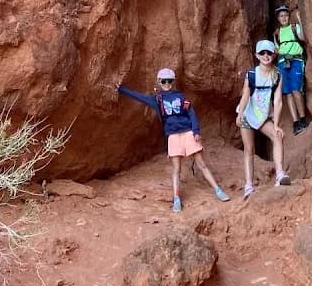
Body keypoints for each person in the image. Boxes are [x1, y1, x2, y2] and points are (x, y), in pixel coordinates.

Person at [118, 68, 231, 212]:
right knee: (176, 168)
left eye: (169, 81)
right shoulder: (157, 99)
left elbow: (191, 113)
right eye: (163, 81)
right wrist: (122, 89)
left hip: (188, 132)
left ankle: (218, 190)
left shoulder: (180, 96)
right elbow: (139, 97)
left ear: (173, 81)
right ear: (159, 82)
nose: (166, 84)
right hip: (173, 135)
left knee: (201, 163)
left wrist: (196, 131)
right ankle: (176, 198)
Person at [235, 40, 291, 198]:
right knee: (249, 149)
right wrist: (239, 114)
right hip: (247, 114)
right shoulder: (252, 74)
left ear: (274, 54)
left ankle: (280, 174)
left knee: (277, 136)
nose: (266, 56)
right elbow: (245, 94)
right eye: (262, 53)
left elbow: (278, 101)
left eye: (269, 53)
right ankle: (248, 186)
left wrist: (277, 124)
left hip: (262, 116)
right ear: (257, 55)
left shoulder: (277, 75)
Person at [273, 4, 309, 134]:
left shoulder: (294, 27)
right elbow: (277, 50)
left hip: (296, 61)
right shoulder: (277, 33)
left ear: (289, 16)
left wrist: (299, 20)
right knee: (288, 93)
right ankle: (296, 122)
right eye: (281, 16)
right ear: (278, 18)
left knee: (296, 90)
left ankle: (303, 118)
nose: (284, 18)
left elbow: (303, 38)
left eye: (286, 15)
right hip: (283, 63)